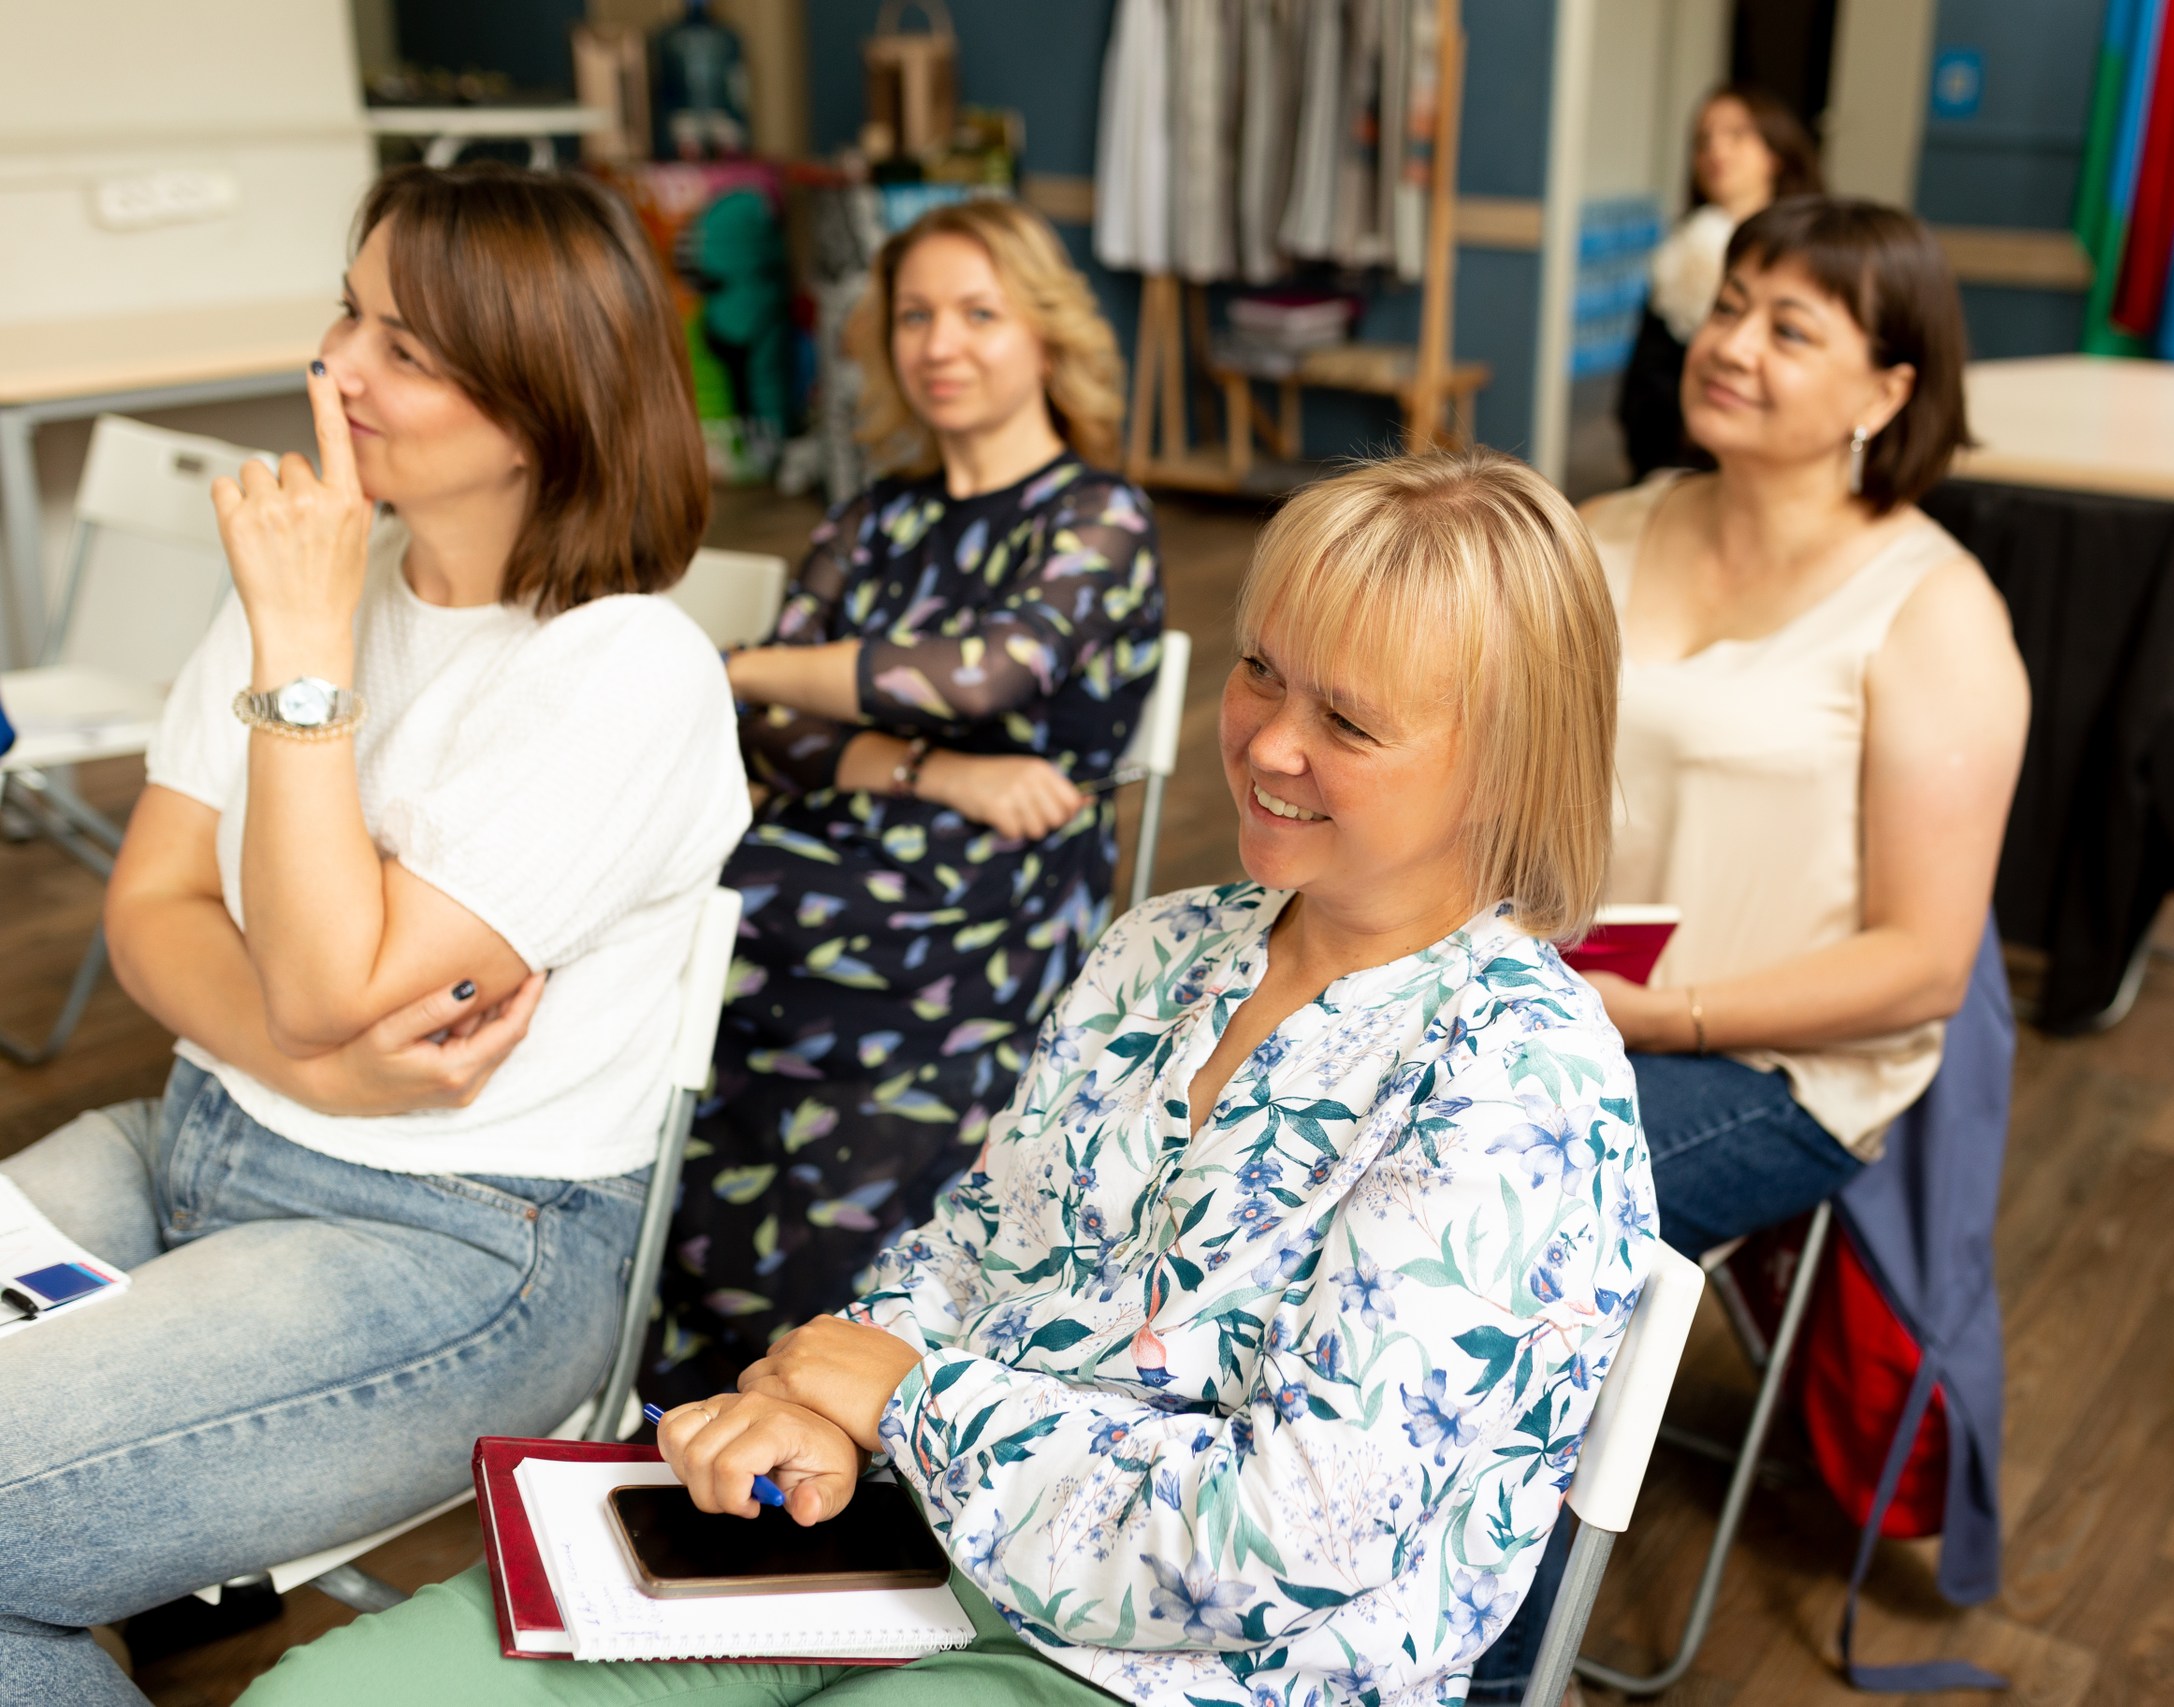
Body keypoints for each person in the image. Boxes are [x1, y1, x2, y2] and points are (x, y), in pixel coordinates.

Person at [238, 449, 1658, 1707]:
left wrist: (910, 1399)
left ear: (1506, 762)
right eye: (1259, 668)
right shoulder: (1165, 948)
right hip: (927, 1532)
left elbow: (1291, 1540)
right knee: (332, 1688)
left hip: (1195, 1667)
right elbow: (982, 1247)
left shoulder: (1515, 1076)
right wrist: (811, 1394)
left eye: (1348, 723)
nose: (1270, 741)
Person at [0, 163, 748, 1705]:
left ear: (541, 398)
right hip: (190, 1136)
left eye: (406, 346)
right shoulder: (331, 577)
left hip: (453, 1240)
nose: (336, 365)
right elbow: (149, 909)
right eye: (353, 308)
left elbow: (331, 969)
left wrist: (297, 642)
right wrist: (314, 1062)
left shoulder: (626, 670)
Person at [1476, 194, 2029, 1703]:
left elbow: (1922, 963)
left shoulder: (1934, 613)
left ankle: (1480, 1661)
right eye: (1732, 304)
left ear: (1889, 391)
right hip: (1557, 1000)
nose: (1734, 343)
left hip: (1784, 1057)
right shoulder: (1606, 532)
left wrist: (1670, 1016)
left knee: (1509, 1226)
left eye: (1796, 327)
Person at [650, 200, 1164, 1403]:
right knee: (690, 906)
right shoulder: (874, 514)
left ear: (1044, 334)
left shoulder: (1096, 516)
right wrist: (930, 766)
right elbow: (771, 729)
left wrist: (737, 662)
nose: (941, 342)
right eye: (916, 315)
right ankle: (682, 1389)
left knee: (720, 924)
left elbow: (991, 669)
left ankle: (807, 1380)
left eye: (979, 313)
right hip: (849, 842)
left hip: (989, 899)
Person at [1616, 85, 1823, 482]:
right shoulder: (1686, 245)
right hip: (1679, 450)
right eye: (1703, 139)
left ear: (1775, 153)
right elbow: (1649, 372)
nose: (1716, 150)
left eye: (1736, 135)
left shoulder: (1812, 254)